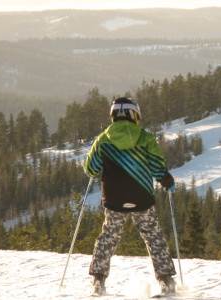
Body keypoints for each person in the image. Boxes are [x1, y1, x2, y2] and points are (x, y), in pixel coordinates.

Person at [83, 97, 177, 295]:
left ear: (113, 115)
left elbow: (91, 169)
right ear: (135, 115)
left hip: (114, 199)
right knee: (153, 236)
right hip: (141, 197)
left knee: (108, 235)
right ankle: (166, 281)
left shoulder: (104, 139)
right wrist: (167, 181)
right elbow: (157, 168)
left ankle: (98, 280)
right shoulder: (146, 138)